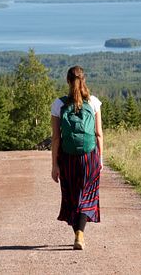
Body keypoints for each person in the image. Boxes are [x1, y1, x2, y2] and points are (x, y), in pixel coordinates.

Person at [50, 65, 103, 250]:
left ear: (67, 81)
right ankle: (80, 234)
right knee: (87, 195)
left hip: (67, 157)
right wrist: (100, 159)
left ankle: (78, 235)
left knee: (72, 196)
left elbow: (56, 138)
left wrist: (54, 165)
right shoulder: (94, 102)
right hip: (89, 157)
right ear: (84, 80)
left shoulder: (58, 104)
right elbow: (98, 134)